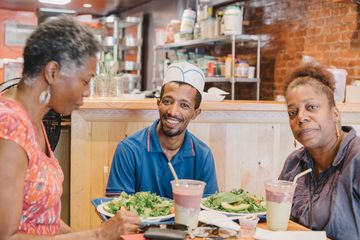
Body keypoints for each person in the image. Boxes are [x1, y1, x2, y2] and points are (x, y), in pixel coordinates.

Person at [0, 16, 140, 239]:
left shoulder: (34, 119)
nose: (87, 92)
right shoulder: (9, 125)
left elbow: (44, 217)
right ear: (53, 72)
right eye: (85, 81)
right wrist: (99, 235)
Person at [106, 62, 219, 199]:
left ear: (195, 113)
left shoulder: (203, 155)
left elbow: (208, 210)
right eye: (167, 101)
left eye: (184, 105)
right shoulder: (128, 150)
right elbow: (118, 209)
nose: (172, 111)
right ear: (158, 103)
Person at [279, 63, 360, 240]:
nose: (300, 117)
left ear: (335, 114)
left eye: (311, 107)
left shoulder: (356, 159)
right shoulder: (293, 164)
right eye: (292, 112)